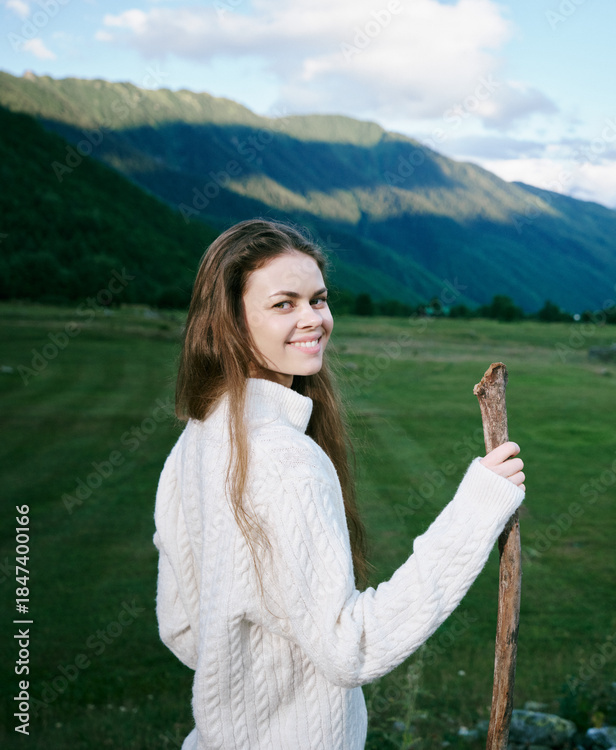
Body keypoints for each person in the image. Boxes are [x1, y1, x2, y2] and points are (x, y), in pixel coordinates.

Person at [153, 219, 525, 749]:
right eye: (284, 304)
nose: (313, 319)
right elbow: (352, 646)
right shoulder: (286, 460)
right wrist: (477, 510)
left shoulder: (194, 439)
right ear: (229, 321)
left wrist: (255, 664)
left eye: (318, 299)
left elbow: (181, 628)